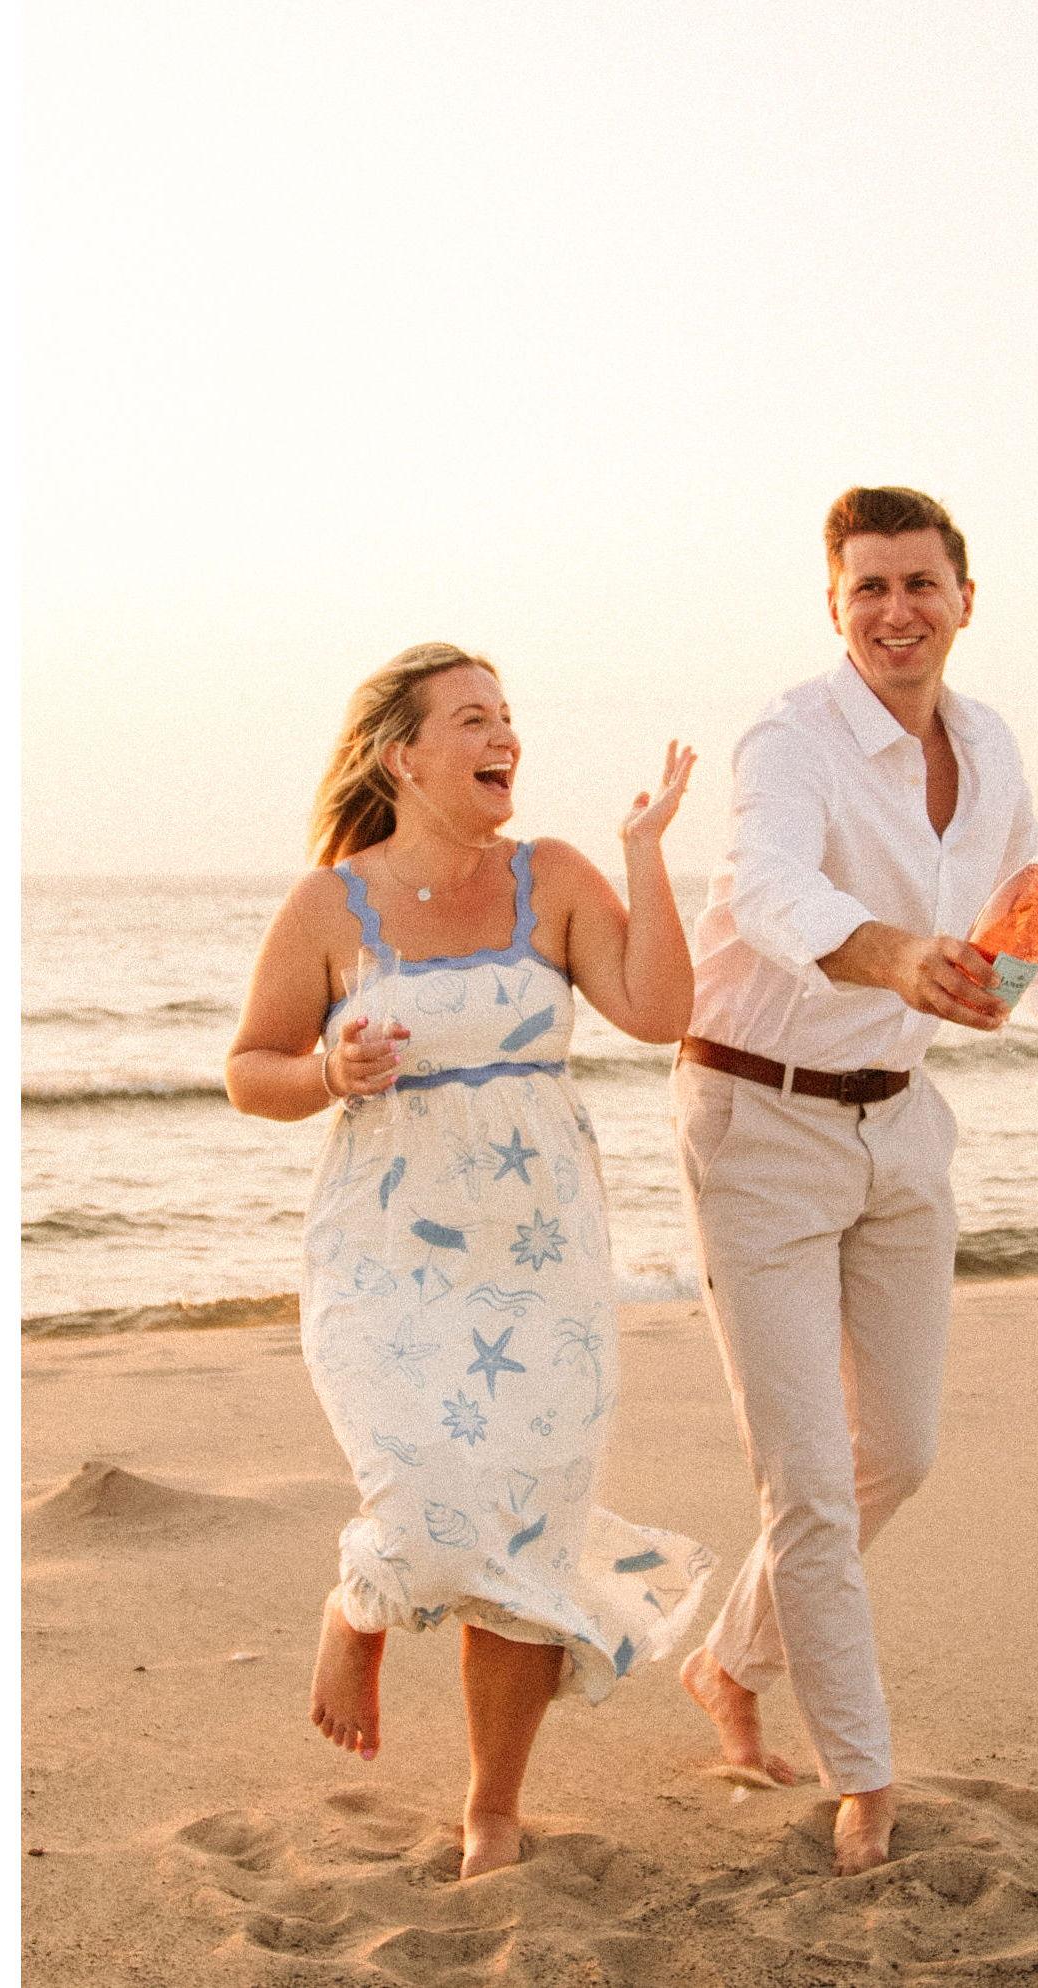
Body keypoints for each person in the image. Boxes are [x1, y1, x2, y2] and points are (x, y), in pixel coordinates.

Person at [672, 487, 1038, 1876]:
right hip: (756, 1122)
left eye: (919, 583)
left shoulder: (987, 745)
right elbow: (766, 889)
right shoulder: (789, 737)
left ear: (964, 600)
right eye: (866, 587)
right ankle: (862, 1778)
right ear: (834, 606)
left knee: (899, 1453)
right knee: (807, 1479)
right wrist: (893, 955)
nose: (895, 611)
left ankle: (726, 1657)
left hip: (902, 1122)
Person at [227, 642, 709, 1879]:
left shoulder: (553, 874)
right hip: (383, 1258)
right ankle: (360, 1600)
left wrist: (645, 855)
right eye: (473, 719)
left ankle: (491, 1803)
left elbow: (659, 1012)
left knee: (527, 1528)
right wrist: (327, 1070)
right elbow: (250, 1069)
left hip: (543, 1259)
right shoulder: (329, 904)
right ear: (403, 755)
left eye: (506, 717)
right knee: (430, 1495)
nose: (505, 737)